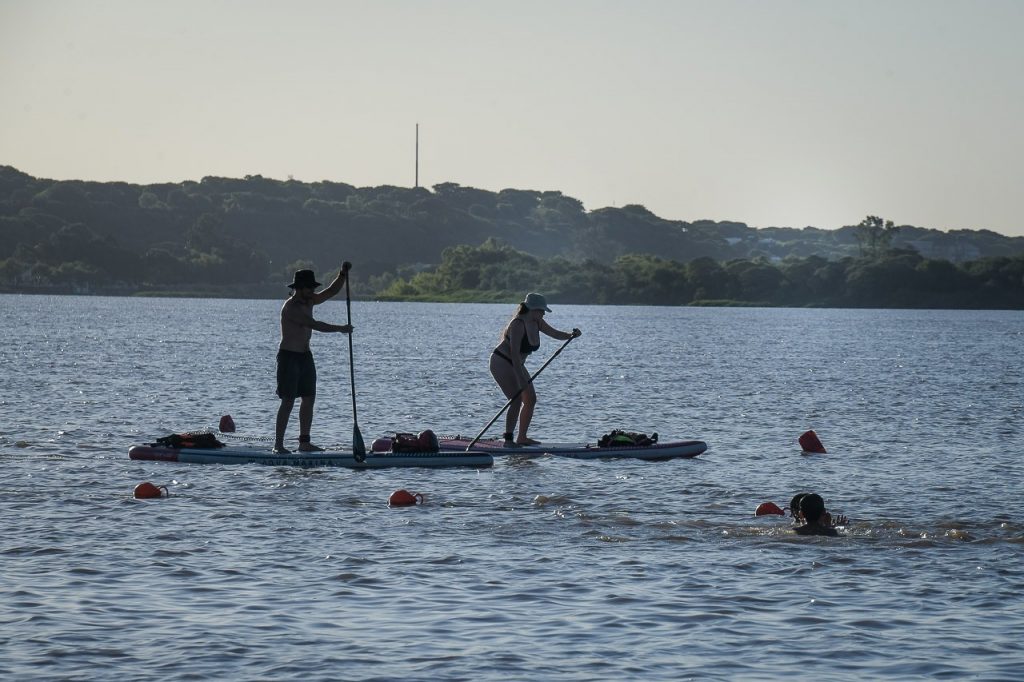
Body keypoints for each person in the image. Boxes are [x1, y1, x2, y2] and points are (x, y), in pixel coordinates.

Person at [274, 265, 353, 454]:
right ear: (299, 288)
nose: (312, 291)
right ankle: (278, 445)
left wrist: (342, 274)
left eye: (313, 287)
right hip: (289, 357)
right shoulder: (291, 308)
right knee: (288, 401)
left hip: (305, 357)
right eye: (309, 287)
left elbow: (331, 291)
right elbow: (314, 324)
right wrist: (340, 328)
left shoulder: (310, 300)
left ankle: (304, 443)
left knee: (309, 398)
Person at [489, 292, 580, 446]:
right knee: (516, 399)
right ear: (532, 309)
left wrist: (571, 335)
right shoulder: (517, 324)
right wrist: (520, 378)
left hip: (517, 364)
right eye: (541, 310)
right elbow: (514, 354)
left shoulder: (538, 322)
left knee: (530, 399)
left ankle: (522, 437)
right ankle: (508, 440)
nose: (544, 313)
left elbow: (555, 333)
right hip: (501, 362)